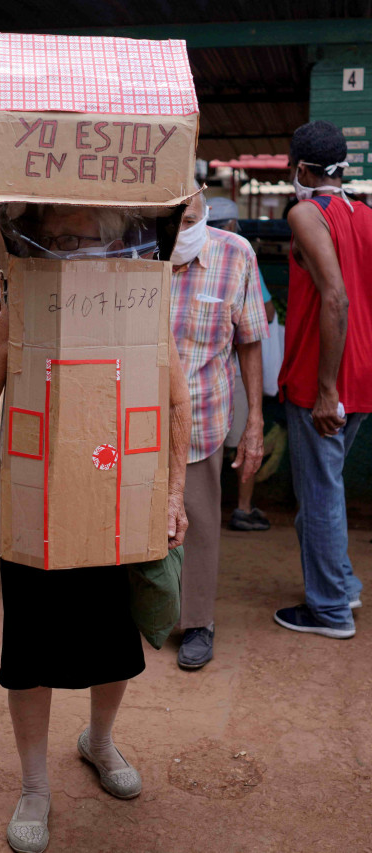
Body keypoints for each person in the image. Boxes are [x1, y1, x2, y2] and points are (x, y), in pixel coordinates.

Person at [0, 205, 192, 853]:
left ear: (119, 240)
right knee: (31, 649)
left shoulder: (142, 310)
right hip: (36, 513)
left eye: (90, 239)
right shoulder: (25, 306)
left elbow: (177, 399)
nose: (77, 251)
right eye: (62, 238)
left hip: (117, 508)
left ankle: (99, 740)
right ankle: (35, 784)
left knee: (114, 642)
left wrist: (173, 494)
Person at [275, 120, 372, 639]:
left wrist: (327, 390)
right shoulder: (365, 216)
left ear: (303, 169)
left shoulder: (306, 213)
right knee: (327, 488)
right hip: (362, 372)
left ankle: (330, 609)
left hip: (324, 379)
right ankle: (345, 585)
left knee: (318, 493)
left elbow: (336, 297)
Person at [170, 187, 269, 670]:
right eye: (173, 223)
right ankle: (140, 616)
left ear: (204, 209)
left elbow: (250, 341)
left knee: (199, 524)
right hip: (132, 421)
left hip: (201, 417)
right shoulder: (138, 250)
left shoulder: (235, 254)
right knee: (129, 521)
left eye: (188, 221)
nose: (180, 232)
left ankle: (197, 622)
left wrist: (254, 421)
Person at [208, 196, 275, 532]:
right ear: (233, 225)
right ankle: (242, 508)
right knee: (239, 443)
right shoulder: (239, 256)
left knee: (213, 447)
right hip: (229, 367)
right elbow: (266, 313)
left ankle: (206, 506)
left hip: (210, 368)